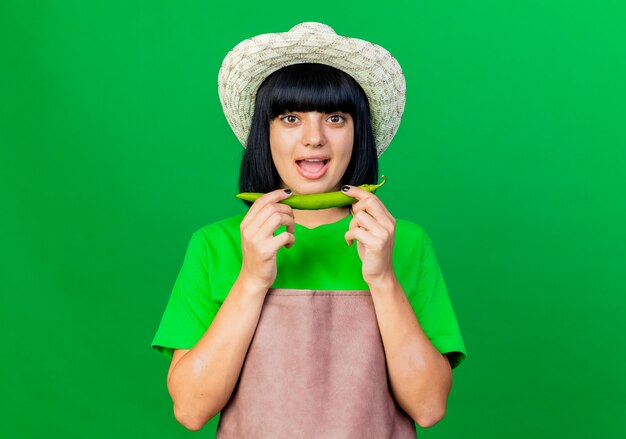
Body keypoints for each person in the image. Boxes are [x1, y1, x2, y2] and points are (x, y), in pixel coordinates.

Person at [152, 22, 467, 438]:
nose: (314, 138)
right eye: (290, 118)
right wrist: (251, 280)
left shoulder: (404, 242)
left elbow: (428, 407)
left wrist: (383, 279)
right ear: (264, 134)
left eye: (335, 118)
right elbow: (191, 410)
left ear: (359, 134)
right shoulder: (215, 244)